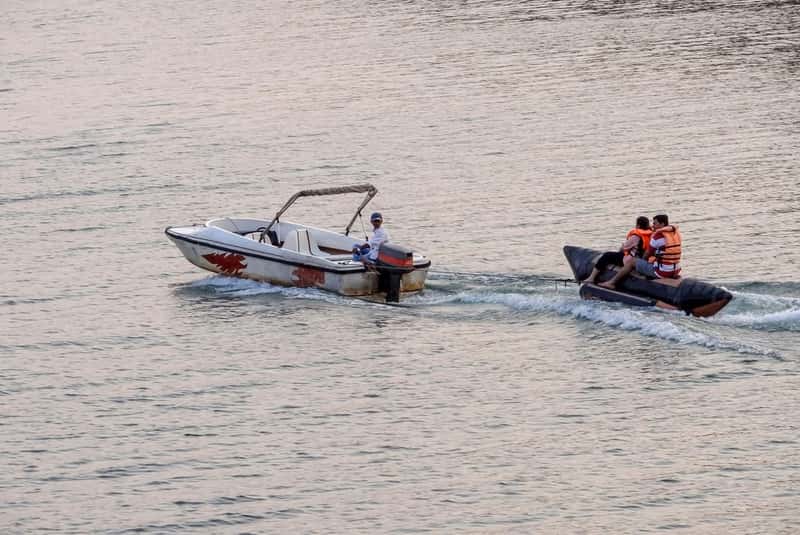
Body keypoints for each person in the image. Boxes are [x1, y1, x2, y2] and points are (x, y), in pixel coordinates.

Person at [598, 214, 682, 289]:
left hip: (662, 272)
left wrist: (640, 262)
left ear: (662, 224)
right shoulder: (674, 235)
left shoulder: (657, 237)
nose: (653, 226)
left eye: (655, 223)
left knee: (632, 262)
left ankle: (611, 283)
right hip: (675, 270)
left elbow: (648, 253)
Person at [582, 216, 652, 284]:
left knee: (607, 255)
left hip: (631, 260)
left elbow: (623, 248)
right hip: (642, 259)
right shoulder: (651, 234)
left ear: (638, 226)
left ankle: (591, 278)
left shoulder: (636, 236)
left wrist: (622, 247)